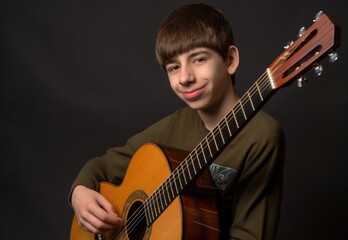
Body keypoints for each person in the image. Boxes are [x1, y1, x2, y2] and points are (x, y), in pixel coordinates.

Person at [69, 3, 285, 240]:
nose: (185, 77)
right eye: (174, 67)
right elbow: (102, 167)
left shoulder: (261, 135)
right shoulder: (174, 126)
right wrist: (80, 193)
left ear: (230, 60)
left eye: (199, 59)